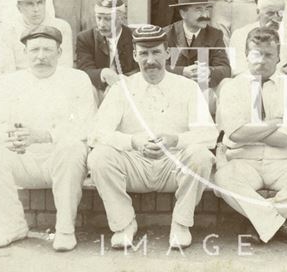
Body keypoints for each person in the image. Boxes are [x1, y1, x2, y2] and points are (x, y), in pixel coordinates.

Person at [88, 25, 218, 249]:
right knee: (99, 157)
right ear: (134, 55)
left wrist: (176, 140)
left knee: (200, 156)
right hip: (134, 164)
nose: (150, 60)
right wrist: (133, 142)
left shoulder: (187, 87)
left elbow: (208, 135)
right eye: (144, 53)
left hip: (174, 165)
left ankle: (181, 223)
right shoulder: (123, 88)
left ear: (168, 53)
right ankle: (124, 224)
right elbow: (97, 134)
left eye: (156, 52)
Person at [0, 25, 97, 251]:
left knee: (72, 147)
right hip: (22, 160)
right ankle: (11, 226)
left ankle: (64, 229)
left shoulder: (77, 79)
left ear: (60, 53)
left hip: (61, 162)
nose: (41, 56)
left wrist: (43, 136)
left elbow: (87, 125)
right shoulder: (7, 82)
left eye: (47, 50)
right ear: (25, 53)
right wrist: (11, 137)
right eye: (34, 50)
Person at [214, 27, 287, 246]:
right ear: (246, 55)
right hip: (243, 161)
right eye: (256, 54)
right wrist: (274, 123)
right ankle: (279, 224)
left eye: (268, 55)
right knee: (223, 179)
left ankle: (259, 221)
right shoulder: (232, 87)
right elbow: (235, 135)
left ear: (278, 57)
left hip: (283, 161)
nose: (262, 61)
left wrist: (250, 131)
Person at [229, 0, 287, 82]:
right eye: (270, 13)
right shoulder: (240, 35)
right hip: (250, 85)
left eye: (279, 13)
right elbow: (237, 70)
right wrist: (275, 75)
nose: (275, 18)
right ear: (258, 12)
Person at [165, 0, 231, 89]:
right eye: (198, 10)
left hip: (203, 92)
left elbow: (225, 69)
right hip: (174, 90)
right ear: (183, 14)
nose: (205, 15)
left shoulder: (215, 34)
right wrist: (182, 71)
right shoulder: (167, 34)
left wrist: (209, 71)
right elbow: (157, 67)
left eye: (206, 9)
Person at [76, 0, 137, 94]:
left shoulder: (134, 38)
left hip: (128, 88)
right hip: (98, 88)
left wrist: (120, 81)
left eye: (108, 19)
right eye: (98, 18)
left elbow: (139, 69)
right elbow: (84, 69)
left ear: (121, 19)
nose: (101, 24)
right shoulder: (86, 38)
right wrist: (103, 73)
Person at [11, 0, 74, 70]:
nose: (36, 9)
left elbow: (66, 66)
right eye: (30, 4)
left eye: (39, 3)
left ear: (45, 3)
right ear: (19, 8)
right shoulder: (10, 30)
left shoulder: (61, 27)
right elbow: (4, 71)